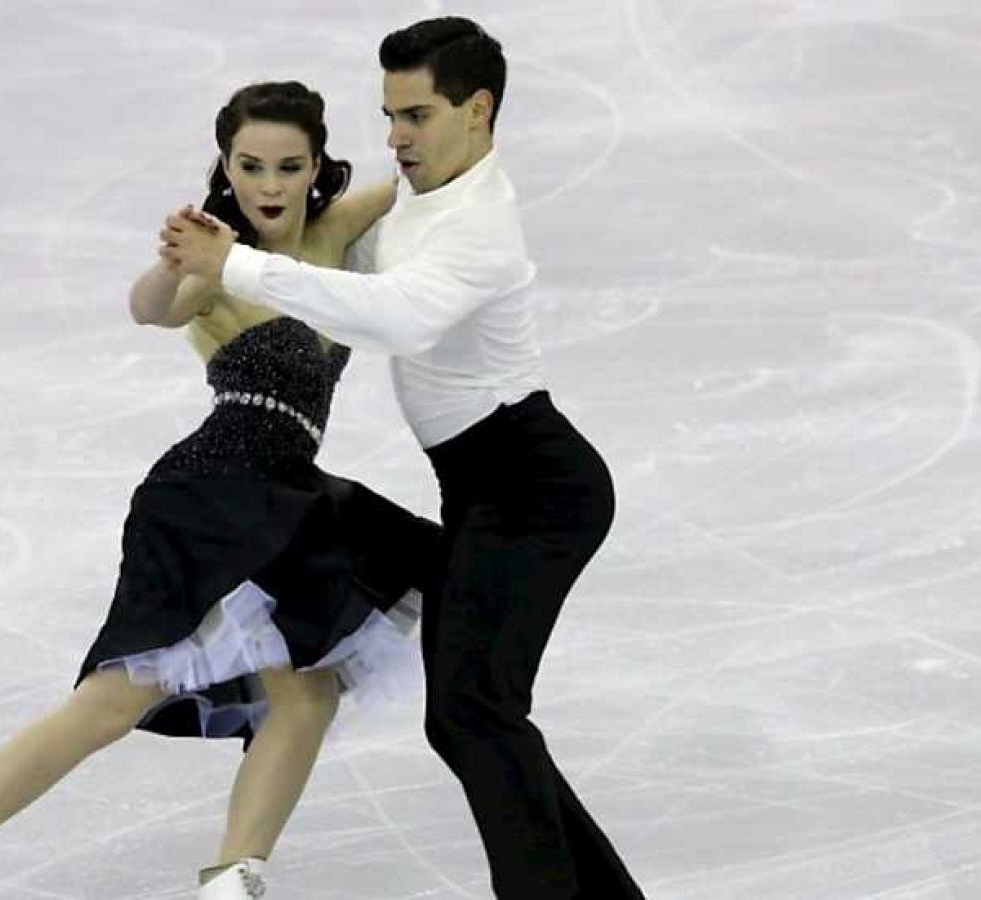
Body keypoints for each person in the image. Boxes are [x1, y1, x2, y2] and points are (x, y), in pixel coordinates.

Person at [0, 80, 442, 900]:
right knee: (119, 698)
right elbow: (154, 308)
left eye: (289, 167)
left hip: (285, 498)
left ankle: (230, 878)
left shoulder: (332, 232)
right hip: (211, 494)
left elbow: (416, 181)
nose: (268, 185)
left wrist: (443, 127)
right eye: (250, 165)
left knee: (305, 691)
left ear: (316, 167)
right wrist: (173, 262)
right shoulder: (216, 254)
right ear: (227, 165)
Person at [158, 18, 646, 900]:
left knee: (475, 711)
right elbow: (335, 273)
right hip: (483, 489)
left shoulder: (480, 224)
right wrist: (236, 242)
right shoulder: (419, 198)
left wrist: (238, 269)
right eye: (389, 116)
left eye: (416, 115)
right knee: (468, 718)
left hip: (536, 488)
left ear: (478, 109)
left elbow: (396, 318)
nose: (394, 138)